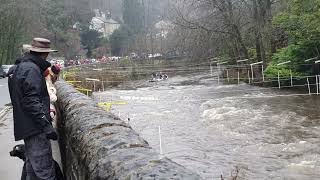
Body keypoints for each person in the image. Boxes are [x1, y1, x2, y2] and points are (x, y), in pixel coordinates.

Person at [8, 38, 58, 180]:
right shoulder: (31, 69)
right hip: (35, 129)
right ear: (45, 54)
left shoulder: (24, 66)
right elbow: (31, 101)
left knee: (32, 169)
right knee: (44, 172)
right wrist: (46, 125)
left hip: (28, 127)